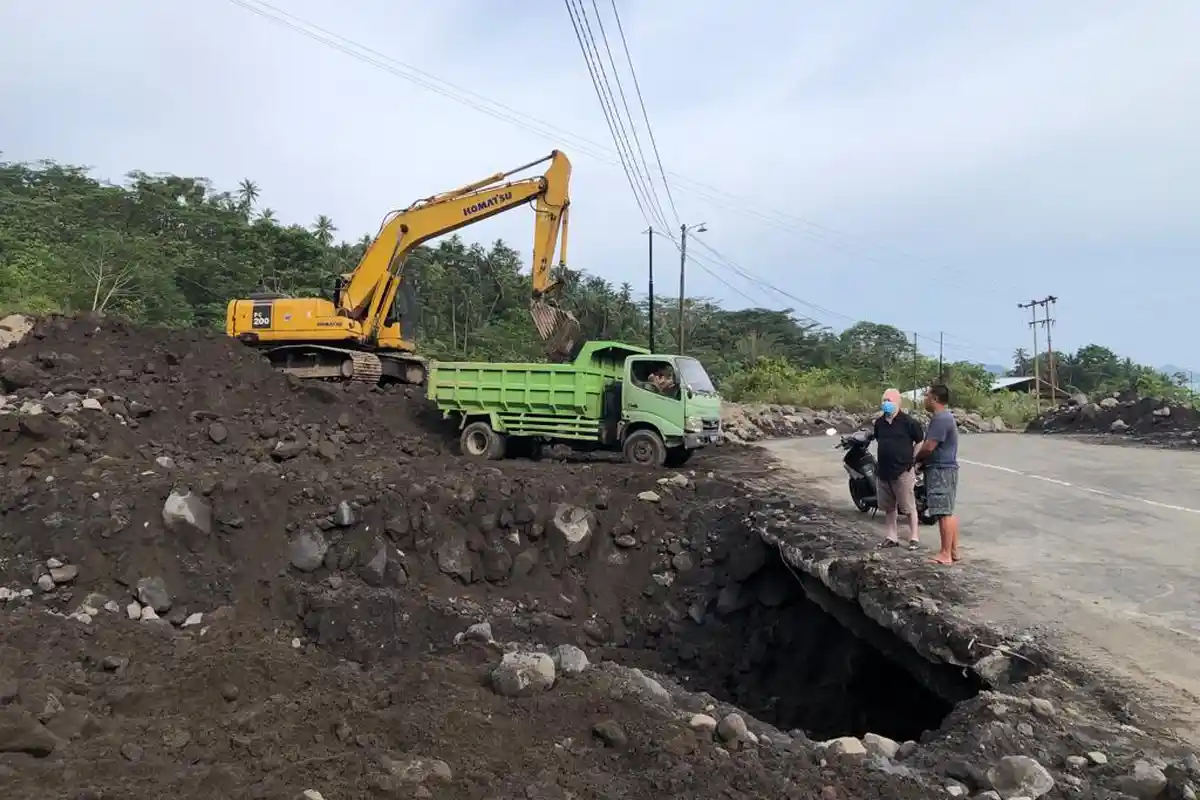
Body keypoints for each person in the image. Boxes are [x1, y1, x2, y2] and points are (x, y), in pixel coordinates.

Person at [873, 388, 925, 551]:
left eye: (889, 400)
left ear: (898, 403)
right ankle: (891, 536)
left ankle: (914, 537)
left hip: (902, 470)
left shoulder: (908, 422)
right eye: (884, 400)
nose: (886, 403)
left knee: (908, 506)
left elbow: (920, 441)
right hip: (884, 470)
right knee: (889, 507)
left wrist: (913, 460)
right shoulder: (879, 423)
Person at [915, 383, 960, 565]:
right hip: (945, 469)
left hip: (941, 469)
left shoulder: (940, 419)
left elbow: (929, 446)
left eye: (926, 396)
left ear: (934, 398)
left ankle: (945, 554)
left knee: (943, 512)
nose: (925, 399)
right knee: (947, 510)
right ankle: (954, 550)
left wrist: (917, 459)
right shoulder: (945, 417)